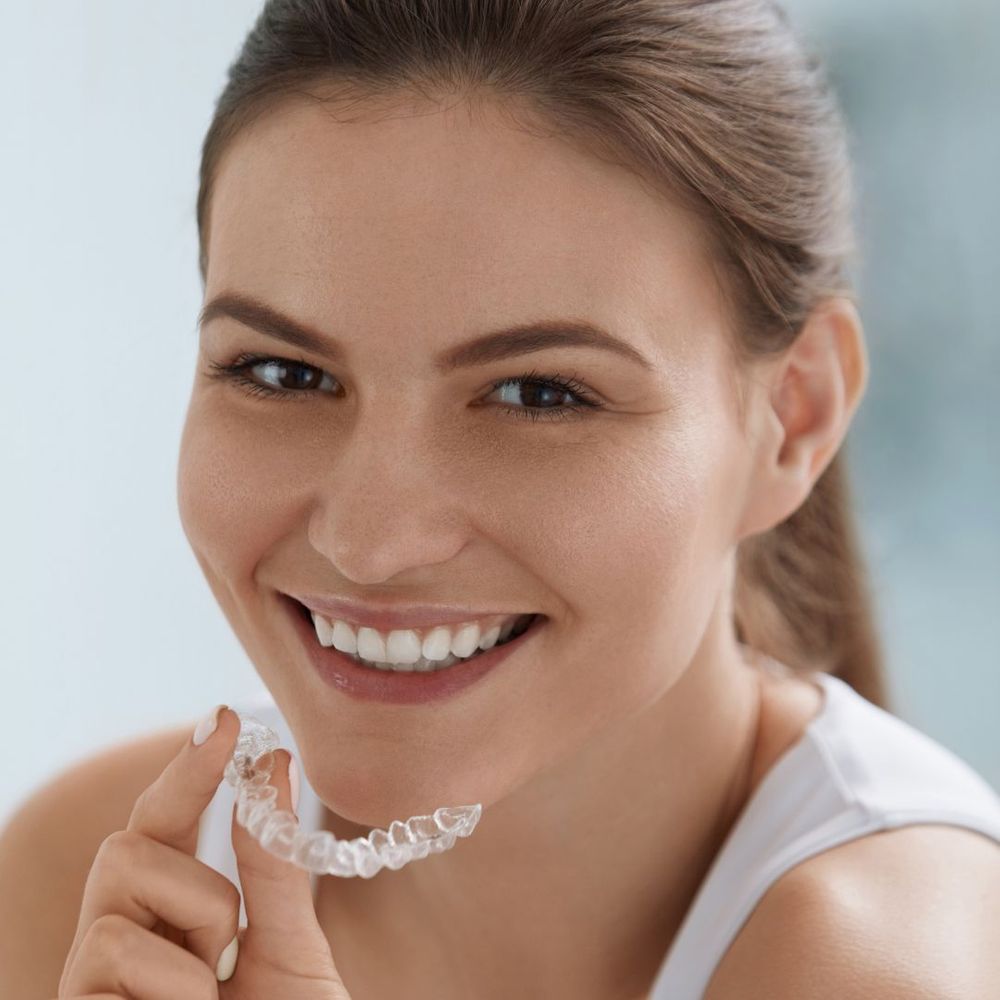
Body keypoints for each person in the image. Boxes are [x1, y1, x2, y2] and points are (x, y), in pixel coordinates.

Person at [2, 1, 998, 997]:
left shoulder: (876, 963)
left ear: (793, 415)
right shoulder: (99, 888)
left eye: (538, 393)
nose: (369, 542)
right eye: (281, 372)